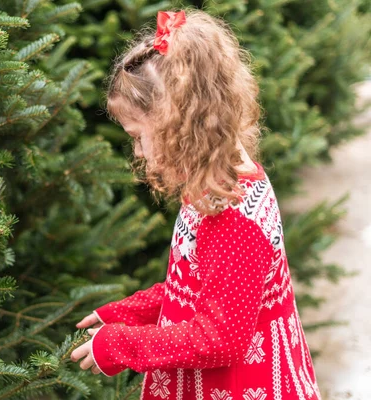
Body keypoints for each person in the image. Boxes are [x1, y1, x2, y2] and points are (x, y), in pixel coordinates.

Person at [70, 8, 322, 400]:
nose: (138, 152)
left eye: (139, 136)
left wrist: (123, 343)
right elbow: (205, 286)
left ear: (178, 124)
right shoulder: (216, 187)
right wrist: (131, 312)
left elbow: (219, 338)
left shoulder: (233, 216)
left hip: (241, 387)